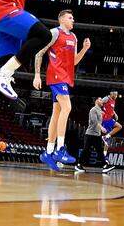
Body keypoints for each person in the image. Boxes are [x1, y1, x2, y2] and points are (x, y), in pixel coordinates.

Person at [35, 10, 90, 171]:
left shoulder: (74, 37)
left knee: (57, 112)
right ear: (61, 19)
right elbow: (39, 52)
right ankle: (60, 148)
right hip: (56, 75)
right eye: (70, 17)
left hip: (66, 76)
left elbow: (74, 62)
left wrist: (85, 49)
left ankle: (48, 152)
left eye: (73, 17)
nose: (73, 19)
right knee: (67, 107)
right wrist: (37, 75)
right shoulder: (54, 33)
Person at [76, 97, 111, 173]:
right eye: (100, 100)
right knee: (86, 150)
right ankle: (79, 165)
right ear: (96, 101)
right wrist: (101, 127)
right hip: (90, 134)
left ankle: (105, 166)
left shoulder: (101, 111)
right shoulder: (93, 110)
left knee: (99, 150)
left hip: (97, 134)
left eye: (102, 100)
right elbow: (94, 121)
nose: (102, 101)